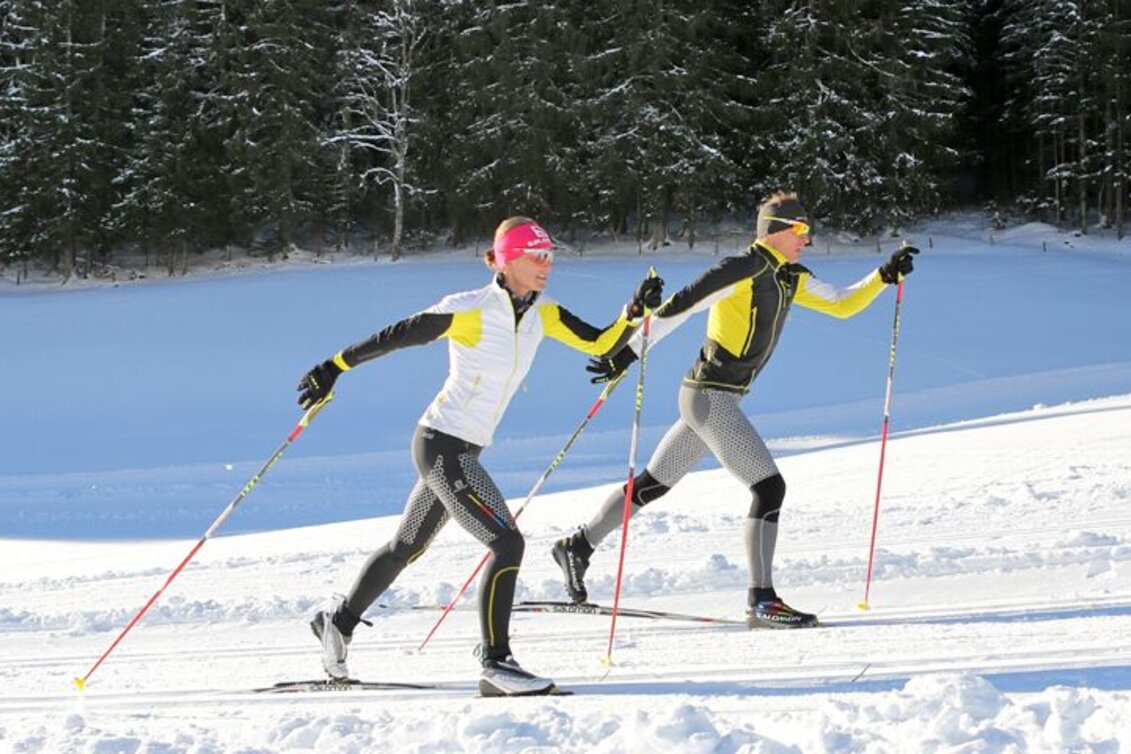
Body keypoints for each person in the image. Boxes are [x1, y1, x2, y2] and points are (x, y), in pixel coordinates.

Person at [297, 216, 663, 696]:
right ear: (508, 259)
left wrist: (634, 310)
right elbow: (398, 334)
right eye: (536, 256)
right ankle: (496, 661)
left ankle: (337, 622)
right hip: (442, 445)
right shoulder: (469, 309)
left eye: (550, 256)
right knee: (507, 543)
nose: (546, 266)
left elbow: (599, 342)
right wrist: (335, 366)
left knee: (405, 546)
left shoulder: (544, 312)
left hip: (460, 449)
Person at [551, 191, 917, 629]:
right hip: (710, 395)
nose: (807, 238)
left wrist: (882, 276)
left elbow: (841, 304)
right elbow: (682, 304)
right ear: (776, 232)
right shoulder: (743, 267)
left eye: (808, 230)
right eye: (800, 230)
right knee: (769, 488)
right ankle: (761, 599)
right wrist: (625, 355)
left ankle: (578, 546)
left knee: (650, 485)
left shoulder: (790, 276)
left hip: (716, 398)